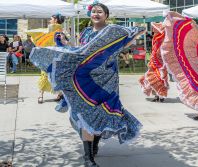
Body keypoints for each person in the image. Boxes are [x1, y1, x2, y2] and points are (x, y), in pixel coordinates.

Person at [30, 2, 144, 167]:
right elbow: (80, 52)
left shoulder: (111, 31)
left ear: (106, 15)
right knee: (86, 114)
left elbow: (129, 38)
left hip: (107, 80)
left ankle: (94, 144)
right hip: (85, 79)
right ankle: (88, 158)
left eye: (100, 12)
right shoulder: (86, 32)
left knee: (102, 113)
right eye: (94, 12)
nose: (96, 14)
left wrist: (133, 34)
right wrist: (65, 44)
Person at [27, 13, 66, 104]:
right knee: (53, 75)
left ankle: (44, 95)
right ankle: (57, 94)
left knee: (48, 75)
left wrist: (33, 36)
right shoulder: (61, 30)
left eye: (51, 19)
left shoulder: (55, 29)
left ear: (56, 20)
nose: (49, 20)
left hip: (52, 56)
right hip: (53, 56)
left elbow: (41, 36)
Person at [139, 22, 169, 102]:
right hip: (154, 62)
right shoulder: (155, 38)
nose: (152, 29)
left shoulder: (162, 38)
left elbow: (161, 51)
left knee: (160, 78)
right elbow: (154, 50)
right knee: (152, 78)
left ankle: (161, 96)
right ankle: (156, 95)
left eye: (154, 28)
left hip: (160, 63)